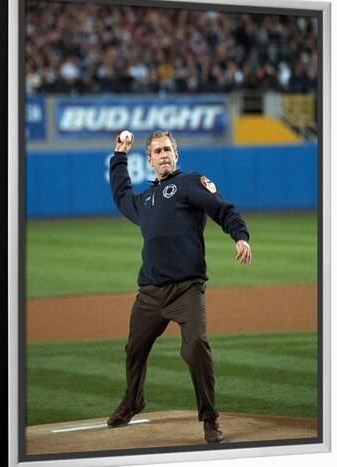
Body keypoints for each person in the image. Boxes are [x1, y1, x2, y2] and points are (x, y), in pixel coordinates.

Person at [107, 130, 252, 443]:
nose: (163, 155)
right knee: (134, 349)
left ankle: (210, 418)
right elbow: (121, 195)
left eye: (167, 150)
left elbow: (222, 208)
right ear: (148, 160)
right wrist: (119, 155)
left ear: (176, 155)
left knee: (196, 347)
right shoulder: (144, 200)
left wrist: (239, 235)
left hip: (187, 288)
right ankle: (133, 401)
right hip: (150, 293)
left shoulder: (188, 183)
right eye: (157, 151)